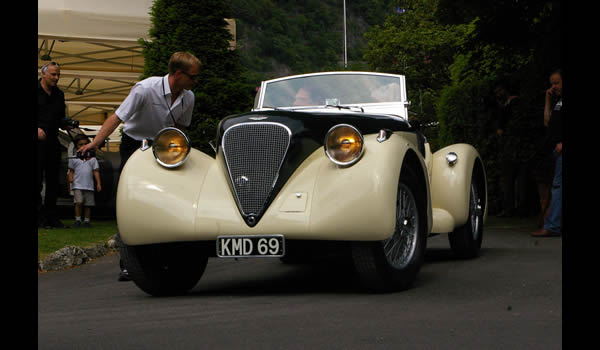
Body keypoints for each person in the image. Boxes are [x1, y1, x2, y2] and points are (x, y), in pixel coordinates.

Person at [78, 51, 201, 281]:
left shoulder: (188, 97)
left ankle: (162, 256)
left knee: (165, 200)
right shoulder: (145, 89)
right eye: (193, 77)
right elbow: (117, 117)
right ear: (177, 74)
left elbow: (181, 129)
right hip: (134, 145)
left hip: (163, 149)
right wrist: (95, 143)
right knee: (129, 201)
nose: (195, 82)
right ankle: (128, 262)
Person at [493, 80, 534, 218]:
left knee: (514, 179)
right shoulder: (509, 106)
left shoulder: (510, 106)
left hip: (514, 146)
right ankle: (517, 208)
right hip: (516, 146)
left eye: (500, 91)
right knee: (516, 179)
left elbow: (502, 128)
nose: (498, 94)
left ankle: (515, 208)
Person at [38, 61, 70, 229]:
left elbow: (59, 119)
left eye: (58, 74)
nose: (56, 78)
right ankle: (39, 218)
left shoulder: (59, 94)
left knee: (53, 182)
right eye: (53, 74)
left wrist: (66, 124)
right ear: (43, 74)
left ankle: (52, 217)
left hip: (53, 142)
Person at [532, 69, 563, 237]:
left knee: (557, 187)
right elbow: (547, 122)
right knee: (557, 187)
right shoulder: (558, 102)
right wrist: (547, 99)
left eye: (557, 82)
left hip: (560, 149)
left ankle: (552, 226)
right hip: (555, 150)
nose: (553, 86)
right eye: (552, 83)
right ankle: (552, 224)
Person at [68, 135, 102, 228]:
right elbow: (71, 171)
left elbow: (96, 171)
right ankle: (78, 220)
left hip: (89, 186)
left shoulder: (93, 159)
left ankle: (87, 221)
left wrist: (98, 183)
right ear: (76, 146)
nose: (83, 146)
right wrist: (70, 178)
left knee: (88, 204)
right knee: (78, 202)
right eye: (80, 144)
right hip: (77, 185)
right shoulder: (74, 158)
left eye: (85, 144)